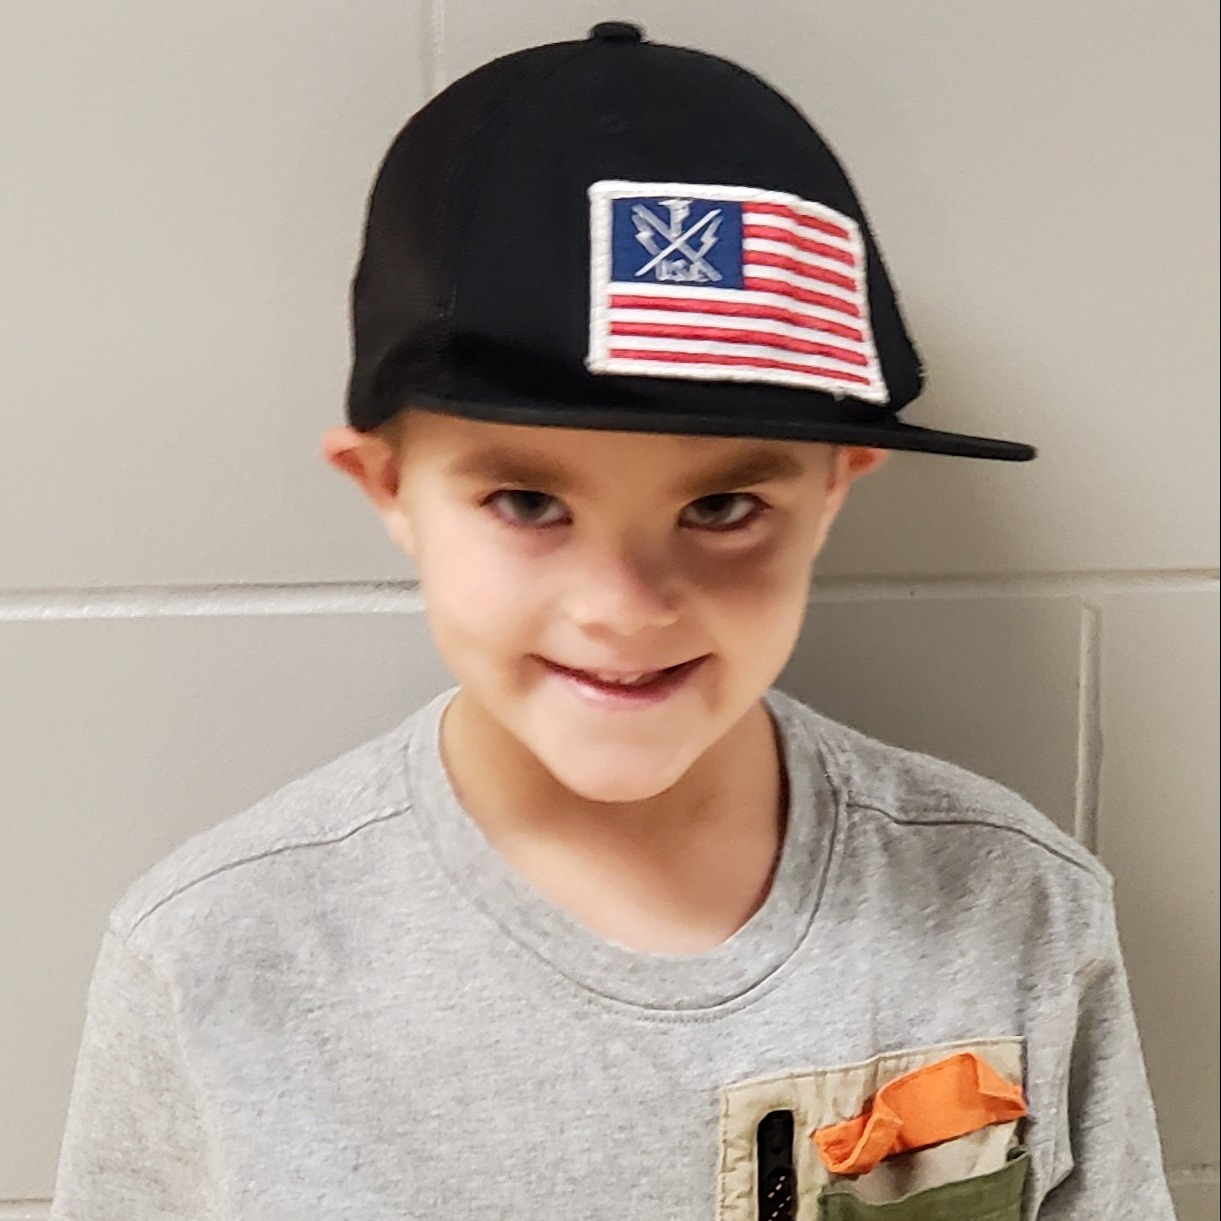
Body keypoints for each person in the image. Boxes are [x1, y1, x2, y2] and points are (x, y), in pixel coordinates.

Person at [50, 22, 1174, 1221]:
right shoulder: (216, 953)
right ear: (388, 488)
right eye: (528, 501)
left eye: (724, 505)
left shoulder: (1011, 905)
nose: (625, 607)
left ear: (837, 484)